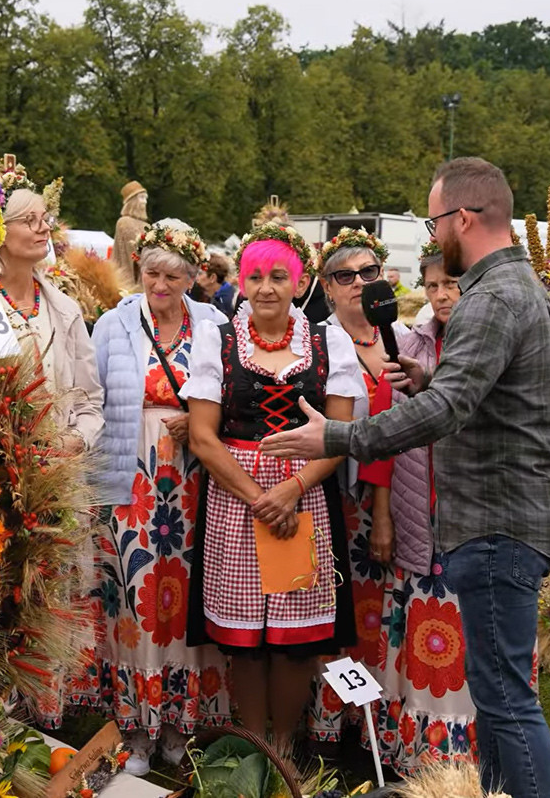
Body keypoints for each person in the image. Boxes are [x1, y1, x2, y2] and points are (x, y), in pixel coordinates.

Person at [260, 157, 550, 798]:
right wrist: (430, 382)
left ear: (463, 217)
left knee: (507, 701)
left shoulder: (491, 297)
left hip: (497, 523)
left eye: (435, 221)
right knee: (495, 696)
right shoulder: (517, 288)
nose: (434, 235)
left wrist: (337, 437)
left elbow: (447, 413)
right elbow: (485, 401)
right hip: (508, 518)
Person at [180, 223, 362, 757]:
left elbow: (340, 435)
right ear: (241, 282)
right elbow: (204, 438)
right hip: (237, 502)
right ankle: (255, 748)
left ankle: (283, 748)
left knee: (293, 644)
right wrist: (260, 499)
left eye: (278, 276)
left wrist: (291, 489)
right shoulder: (219, 340)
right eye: (255, 276)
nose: (266, 287)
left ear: (299, 283)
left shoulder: (330, 342)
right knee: (245, 646)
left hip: (305, 497)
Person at [309, 240, 476, 773]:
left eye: (370, 272)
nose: (360, 282)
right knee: (342, 622)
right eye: (345, 275)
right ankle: (333, 728)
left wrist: (385, 511)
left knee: (384, 627)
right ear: (326, 287)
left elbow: (396, 430)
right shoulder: (317, 342)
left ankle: (377, 730)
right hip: (338, 502)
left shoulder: (405, 340)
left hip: (395, 509)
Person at [88, 219, 233, 774]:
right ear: (139, 272)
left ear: (194, 276)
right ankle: (138, 726)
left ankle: (181, 721)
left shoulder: (215, 324)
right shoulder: (113, 324)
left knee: (191, 591)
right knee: (136, 595)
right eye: (152, 272)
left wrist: (198, 418)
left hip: (197, 478)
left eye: (173, 274)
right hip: (133, 477)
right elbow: (93, 396)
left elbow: (234, 395)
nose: (161, 284)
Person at [0, 187, 105, 455]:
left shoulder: (66, 309)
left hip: (60, 474)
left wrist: (76, 440)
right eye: (29, 220)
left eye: (44, 219)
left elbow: (89, 401)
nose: (44, 229)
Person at [113, 181, 149, 285]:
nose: (145, 202)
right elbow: (133, 251)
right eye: (142, 197)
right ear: (132, 200)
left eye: (146, 198)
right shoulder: (124, 222)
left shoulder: (146, 226)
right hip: (129, 278)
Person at [197, 253, 237, 317]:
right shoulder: (213, 297)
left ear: (213, 278)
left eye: (200, 273)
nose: (196, 277)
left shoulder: (226, 302)